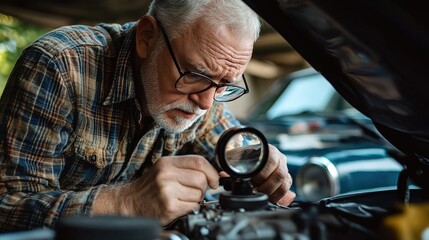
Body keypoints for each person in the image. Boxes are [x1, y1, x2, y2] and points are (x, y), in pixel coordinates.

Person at [0, 0, 295, 231]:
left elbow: (235, 146)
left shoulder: (207, 89)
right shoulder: (61, 66)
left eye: (225, 85)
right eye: (194, 75)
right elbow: (7, 206)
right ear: (146, 37)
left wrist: (260, 160)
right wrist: (128, 202)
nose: (206, 103)